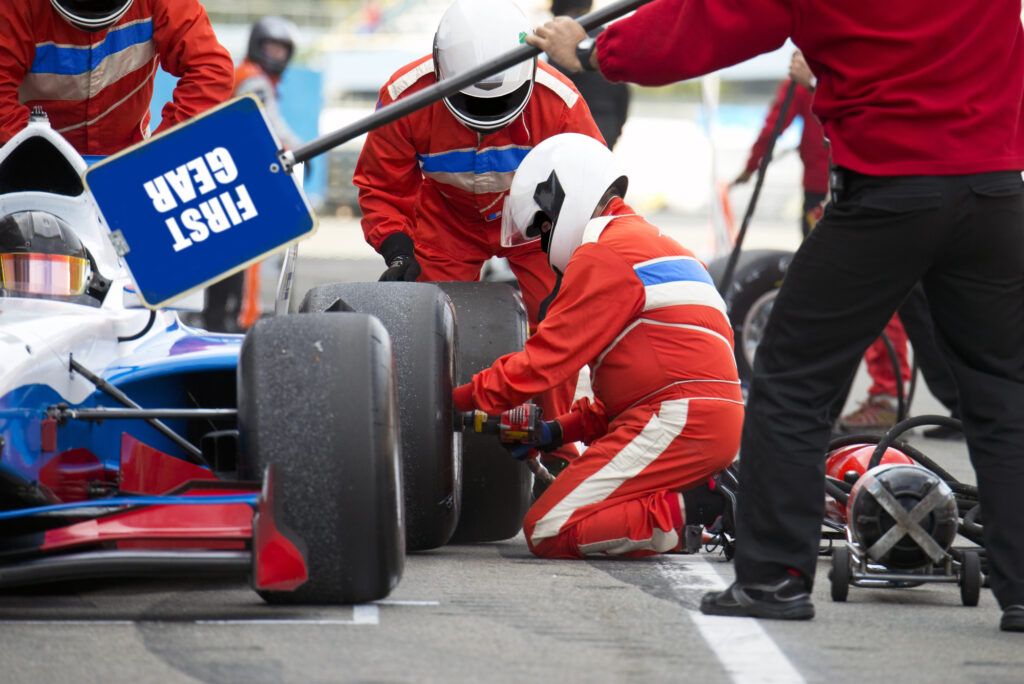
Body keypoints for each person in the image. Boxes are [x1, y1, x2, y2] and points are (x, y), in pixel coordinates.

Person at [528, 0, 1024, 631]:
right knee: (1005, 396)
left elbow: (716, 18)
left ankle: (773, 580)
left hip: (888, 189)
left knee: (790, 382)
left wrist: (597, 53)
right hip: (995, 193)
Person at [452, 133, 743, 559]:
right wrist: (554, 432)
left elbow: (542, 362)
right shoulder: (648, 242)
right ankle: (696, 502)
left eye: (543, 224)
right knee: (570, 515)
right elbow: (632, 396)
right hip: (700, 418)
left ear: (566, 197)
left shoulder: (603, 254)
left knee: (549, 528)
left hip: (678, 420)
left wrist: (451, 400)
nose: (545, 239)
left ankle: (703, 509)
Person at [353, 0, 606, 468]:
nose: (488, 113)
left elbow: (595, 199)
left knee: (562, 325)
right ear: (442, 72)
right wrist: (395, 248)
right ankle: (421, 440)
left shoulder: (560, 103)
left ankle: (555, 446)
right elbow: (381, 187)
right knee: (424, 327)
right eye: (473, 101)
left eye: (502, 102)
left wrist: (576, 271)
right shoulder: (406, 97)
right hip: (447, 223)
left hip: (537, 230)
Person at [0, 0, 234, 155]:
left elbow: (211, 69)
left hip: (126, 161)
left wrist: (160, 153)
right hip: (32, 166)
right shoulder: (13, 6)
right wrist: (38, 158)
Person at [202, 15, 302, 334]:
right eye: (270, 47)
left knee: (229, 254)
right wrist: (301, 151)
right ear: (256, 46)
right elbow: (268, 124)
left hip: (229, 172)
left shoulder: (246, 74)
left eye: (282, 50)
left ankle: (221, 318)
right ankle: (238, 320)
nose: (276, 56)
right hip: (243, 173)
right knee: (247, 253)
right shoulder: (254, 80)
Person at [733, 52, 828, 239]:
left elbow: (773, 128)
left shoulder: (805, 72)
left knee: (817, 249)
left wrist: (750, 167)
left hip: (823, 185)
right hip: (860, 181)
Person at [548, 0, 630, 149]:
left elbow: (551, 90)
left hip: (572, 129)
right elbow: (623, 93)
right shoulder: (607, 38)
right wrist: (616, 131)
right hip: (607, 128)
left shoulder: (561, 42)